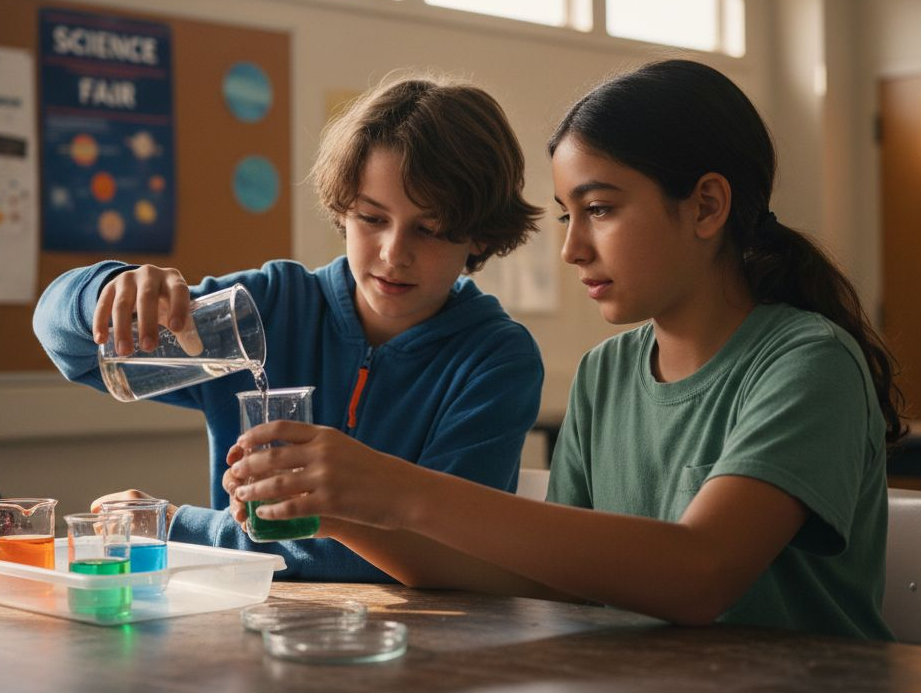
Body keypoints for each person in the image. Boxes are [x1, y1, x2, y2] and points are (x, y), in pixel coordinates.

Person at [226, 59, 907, 639]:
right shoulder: (607, 372)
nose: (573, 248)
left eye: (601, 209)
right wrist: (347, 512)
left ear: (706, 207)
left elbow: (701, 574)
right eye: (565, 215)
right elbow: (552, 578)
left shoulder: (808, 361)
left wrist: (398, 489)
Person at [34, 73, 544, 581]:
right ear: (343, 209)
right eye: (372, 218)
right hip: (253, 627)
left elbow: (439, 553)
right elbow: (76, 353)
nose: (394, 254)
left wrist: (175, 527)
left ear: (478, 236)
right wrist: (103, 292)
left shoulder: (495, 360)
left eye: (429, 229)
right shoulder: (269, 307)